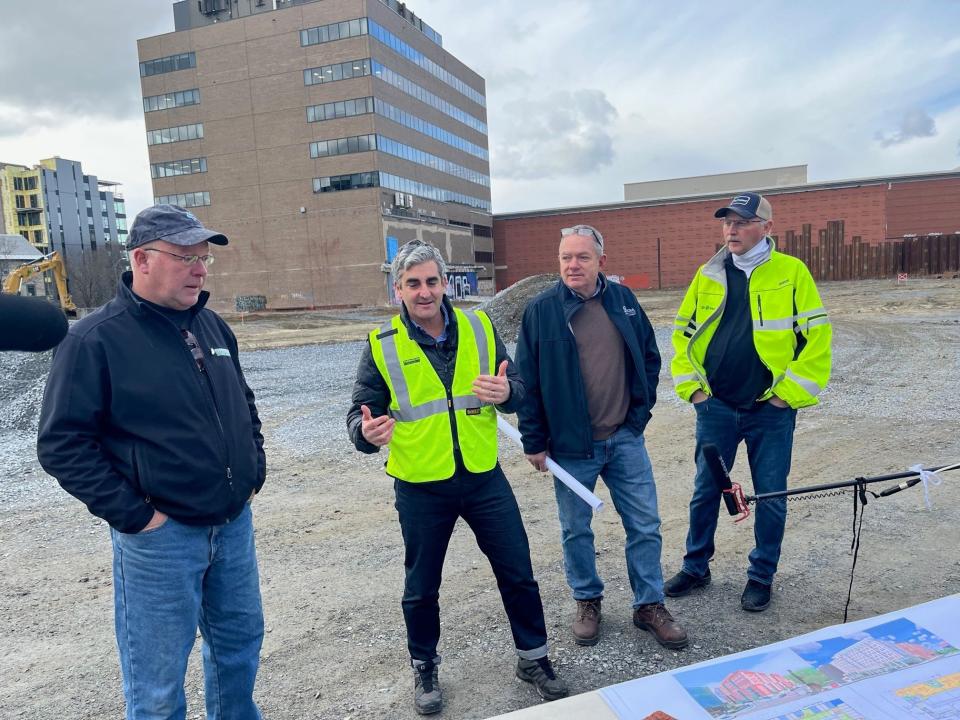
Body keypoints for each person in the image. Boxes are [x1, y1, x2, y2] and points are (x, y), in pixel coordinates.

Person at [37, 204, 267, 719]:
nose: (200, 269)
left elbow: (242, 401)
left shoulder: (212, 327)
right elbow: (62, 444)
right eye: (186, 256)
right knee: (157, 686)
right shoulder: (94, 339)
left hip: (232, 526)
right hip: (161, 539)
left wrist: (254, 468)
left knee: (238, 654)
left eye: (204, 258)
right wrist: (139, 517)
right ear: (141, 259)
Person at [347, 240, 567, 715]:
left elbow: (518, 389)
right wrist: (366, 433)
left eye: (431, 281)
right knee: (422, 586)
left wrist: (507, 390)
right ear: (398, 290)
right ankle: (424, 665)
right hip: (421, 485)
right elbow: (359, 415)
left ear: (445, 284)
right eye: (412, 284)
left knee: (518, 572)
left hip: (483, 477)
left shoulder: (480, 326)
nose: (423, 292)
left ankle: (533, 658)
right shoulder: (382, 345)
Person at [515, 224, 688, 651]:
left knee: (645, 524)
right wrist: (533, 441)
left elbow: (649, 357)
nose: (573, 265)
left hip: (624, 439)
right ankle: (587, 600)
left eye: (582, 257)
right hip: (571, 447)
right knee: (576, 529)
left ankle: (649, 605)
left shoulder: (625, 301)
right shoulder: (541, 311)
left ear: (601, 263)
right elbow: (527, 381)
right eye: (565, 257)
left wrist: (638, 417)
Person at [667, 192, 832, 612]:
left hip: (769, 411)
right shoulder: (709, 273)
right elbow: (681, 335)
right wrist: (696, 392)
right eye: (727, 222)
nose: (732, 229)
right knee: (706, 490)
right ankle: (695, 566)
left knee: (771, 495)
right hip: (716, 406)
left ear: (766, 228)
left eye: (742, 221)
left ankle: (761, 576)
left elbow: (818, 341)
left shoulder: (791, 272)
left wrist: (784, 397)